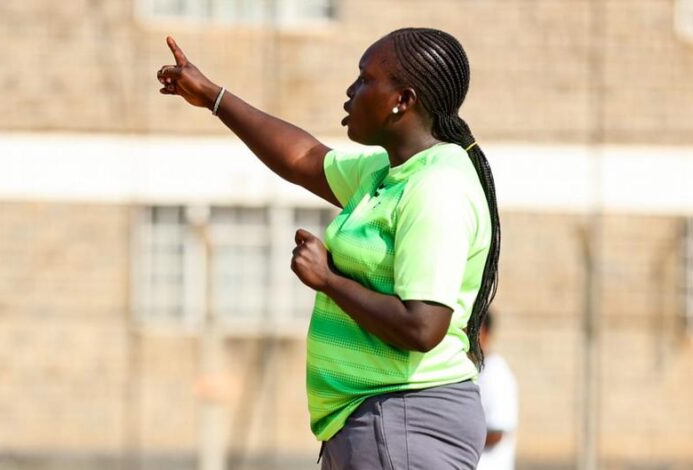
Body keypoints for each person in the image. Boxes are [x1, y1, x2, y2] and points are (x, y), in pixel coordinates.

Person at [157, 27, 501, 469]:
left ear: (404, 100)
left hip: (403, 418)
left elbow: (423, 327)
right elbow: (302, 159)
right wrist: (213, 97)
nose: (351, 91)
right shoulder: (388, 173)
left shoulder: (435, 188)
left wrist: (328, 280)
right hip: (376, 418)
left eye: (364, 80)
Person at [477, 313, 518, 470]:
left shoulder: (496, 372)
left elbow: (497, 432)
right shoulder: (474, 370)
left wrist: (459, 437)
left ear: (485, 333)